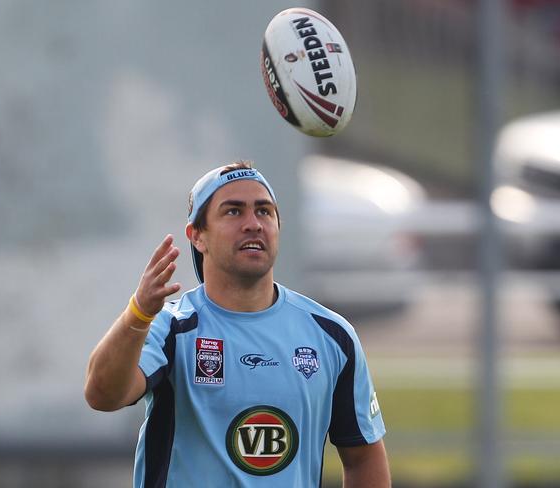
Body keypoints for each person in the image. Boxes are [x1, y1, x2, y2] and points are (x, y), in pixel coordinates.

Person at [84, 161, 390, 487]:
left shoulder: (330, 335)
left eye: (264, 211)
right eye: (233, 212)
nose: (253, 224)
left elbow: (363, 458)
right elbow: (102, 395)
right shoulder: (171, 327)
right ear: (197, 236)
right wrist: (138, 313)